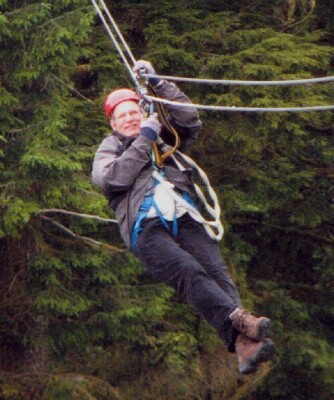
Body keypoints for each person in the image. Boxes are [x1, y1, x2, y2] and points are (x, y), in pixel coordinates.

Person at [92, 60, 275, 374]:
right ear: (113, 124)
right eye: (123, 116)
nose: (130, 118)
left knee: (217, 273)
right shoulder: (109, 151)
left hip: (182, 212)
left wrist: (158, 84)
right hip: (145, 228)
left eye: (134, 112)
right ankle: (242, 325)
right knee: (190, 272)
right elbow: (112, 180)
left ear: (142, 111)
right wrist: (143, 140)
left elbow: (189, 119)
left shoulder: (163, 138)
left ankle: (243, 346)